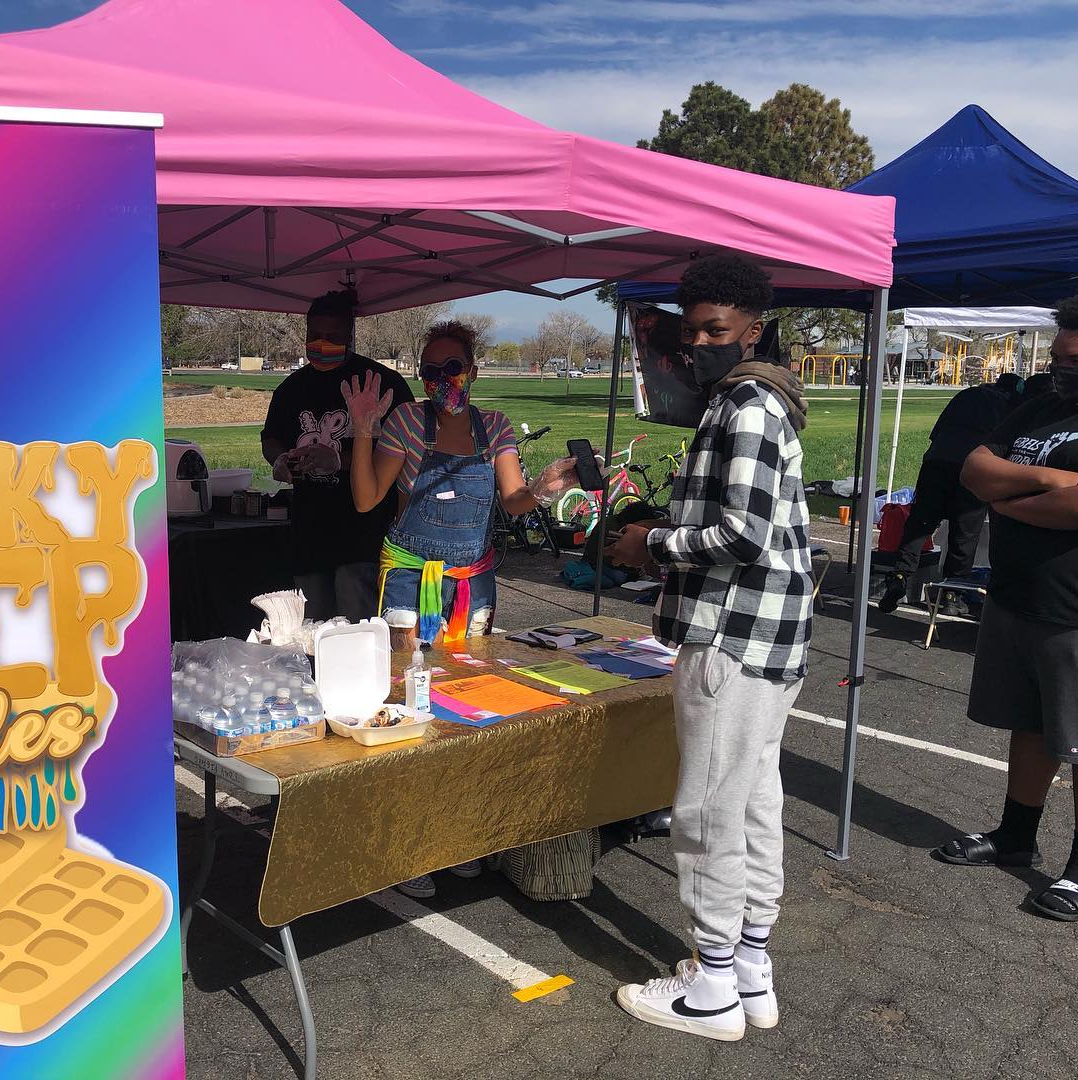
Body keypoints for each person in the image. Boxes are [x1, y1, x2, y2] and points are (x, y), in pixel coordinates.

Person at [604, 254, 811, 1042]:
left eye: (716, 329)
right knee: (753, 798)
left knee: (706, 810)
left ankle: (712, 988)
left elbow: (741, 534)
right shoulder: (759, 398)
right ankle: (749, 967)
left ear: (752, 330)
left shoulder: (748, 406)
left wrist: (650, 542)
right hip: (766, 634)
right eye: (690, 329)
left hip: (734, 633)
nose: (698, 342)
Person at [935, 291, 1078, 923]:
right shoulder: (1041, 405)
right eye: (1061, 356)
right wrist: (1047, 479)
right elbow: (976, 468)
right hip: (1017, 598)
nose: (1065, 369)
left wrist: (1010, 502)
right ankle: (1016, 836)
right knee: (1029, 724)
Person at [345, 320, 575, 651]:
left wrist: (544, 487)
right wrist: (363, 429)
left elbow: (513, 500)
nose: (442, 378)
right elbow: (366, 500)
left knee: (468, 680)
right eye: (430, 371)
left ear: (473, 372)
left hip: (472, 580)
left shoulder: (495, 426)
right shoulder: (407, 421)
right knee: (415, 682)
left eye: (453, 367)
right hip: (412, 578)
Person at [261, 290, 413, 621]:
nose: (321, 343)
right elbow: (270, 438)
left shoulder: (382, 383)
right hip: (309, 533)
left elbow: (406, 454)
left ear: (350, 337)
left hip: (364, 534)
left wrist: (338, 460)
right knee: (311, 630)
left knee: (358, 627)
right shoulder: (291, 388)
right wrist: (280, 459)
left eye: (332, 337)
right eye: (314, 336)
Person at [878, 372, 1026, 616]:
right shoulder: (1009, 408)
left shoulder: (967, 394)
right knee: (965, 531)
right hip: (972, 467)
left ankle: (900, 575)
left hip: (937, 460)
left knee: (921, 522)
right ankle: (951, 593)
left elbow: (936, 433)